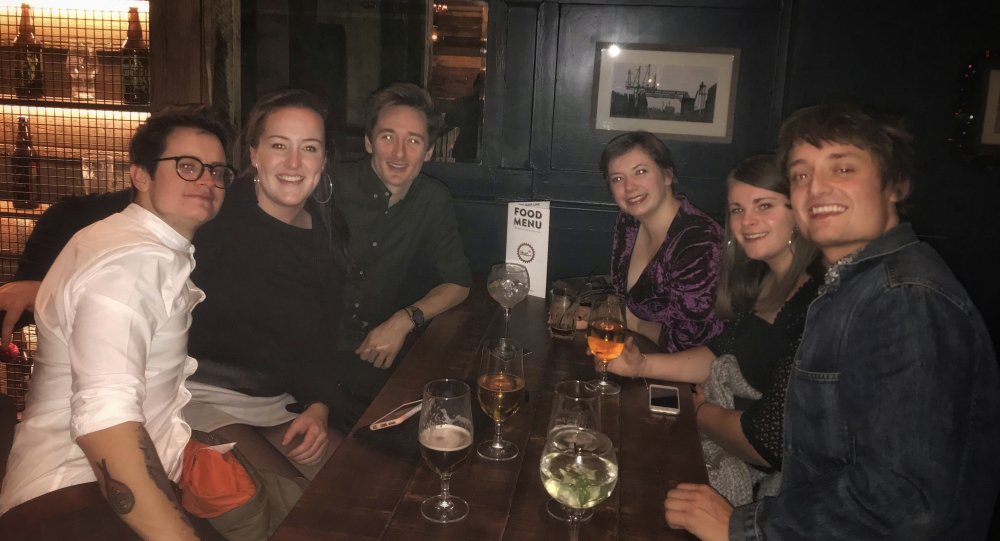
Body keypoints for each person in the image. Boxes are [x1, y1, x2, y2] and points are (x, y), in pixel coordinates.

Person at [664, 102, 1000, 540]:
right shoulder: (854, 284)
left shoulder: (904, 296)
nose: (816, 189)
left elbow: (905, 499)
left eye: (842, 169)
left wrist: (744, 527)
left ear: (895, 184)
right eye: (801, 175)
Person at [0, 89, 358, 490]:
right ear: (254, 154)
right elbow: (81, 215)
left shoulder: (327, 236)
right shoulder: (209, 203)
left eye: (309, 148)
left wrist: (320, 405)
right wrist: (35, 278)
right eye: (279, 145)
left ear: (323, 160)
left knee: (354, 485)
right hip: (194, 396)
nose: (293, 162)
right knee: (293, 501)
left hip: (274, 403)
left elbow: (322, 341)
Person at [0, 105, 233, 539]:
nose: (207, 180)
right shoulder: (131, 264)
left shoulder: (129, 241)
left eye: (217, 171)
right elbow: (105, 423)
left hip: (83, 491)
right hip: (74, 498)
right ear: (140, 175)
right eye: (187, 166)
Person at [605, 154, 820, 505]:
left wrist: (700, 411)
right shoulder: (760, 281)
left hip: (767, 490)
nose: (748, 220)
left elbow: (766, 444)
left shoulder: (816, 304)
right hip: (718, 433)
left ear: (798, 210)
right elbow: (719, 353)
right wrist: (640, 365)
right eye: (737, 210)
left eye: (764, 205)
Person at [333, 81, 472, 405]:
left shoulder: (432, 199)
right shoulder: (331, 186)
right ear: (368, 142)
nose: (399, 153)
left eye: (413, 141)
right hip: (312, 350)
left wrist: (404, 320)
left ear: (429, 151)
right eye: (387, 137)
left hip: (376, 353)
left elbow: (459, 283)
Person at [600, 131, 724, 352]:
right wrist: (594, 313)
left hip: (693, 370)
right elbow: (621, 298)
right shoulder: (629, 222)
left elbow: (690, 342)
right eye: (617, 179)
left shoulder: (700, 243)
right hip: (636, 353)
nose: (629, 187)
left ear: (667, 176)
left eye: (640, 171)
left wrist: (634, 323)